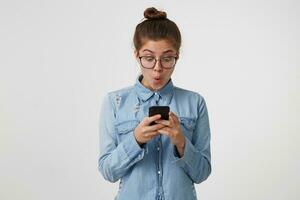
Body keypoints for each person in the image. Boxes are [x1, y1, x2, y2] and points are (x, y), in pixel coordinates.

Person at [98, 7, 211, 200]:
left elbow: (202, 173)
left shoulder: (195, 102)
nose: (158, 68)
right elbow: (108, 172)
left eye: (167, 58)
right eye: (149, 58)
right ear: (137, 55)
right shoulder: (114, 102)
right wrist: (136, 140)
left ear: (177, 56)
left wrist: (181, 142)